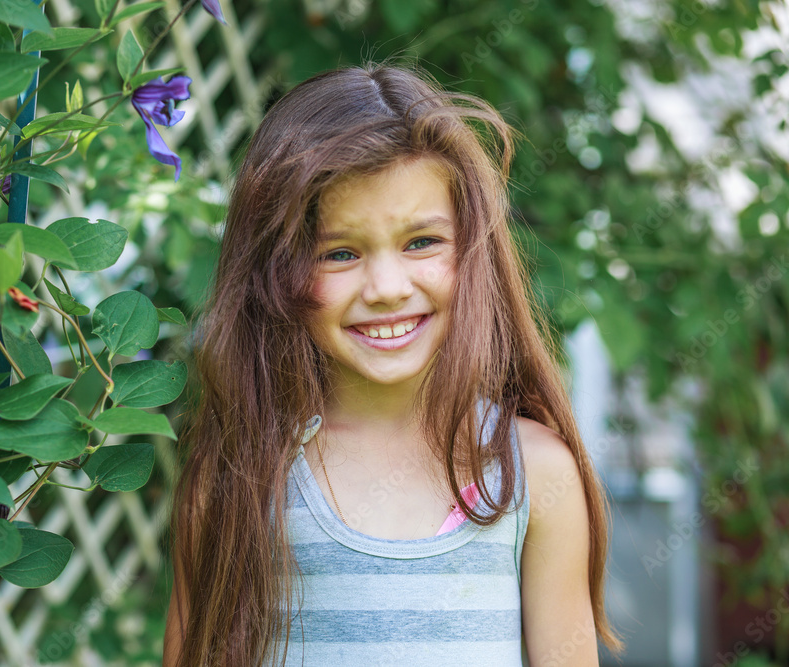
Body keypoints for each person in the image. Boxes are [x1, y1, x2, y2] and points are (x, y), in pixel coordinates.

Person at [163, 63, 623, 666]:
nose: (385, 287)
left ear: (474, 251)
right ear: (276, 275)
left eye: (421, 242)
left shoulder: (534, 474)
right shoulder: (244, 476)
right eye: (340, 252)